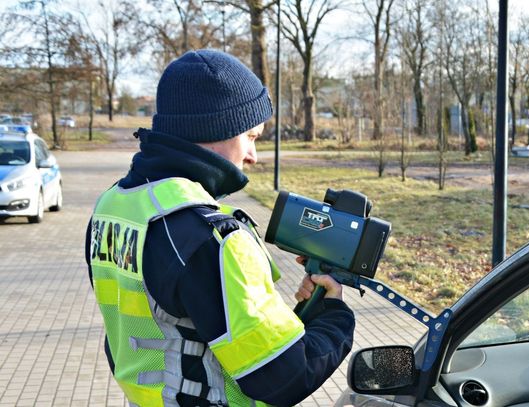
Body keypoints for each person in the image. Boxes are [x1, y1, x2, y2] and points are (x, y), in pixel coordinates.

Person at [85, 49, 354, 407]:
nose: (253, 157)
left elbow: (165, 329)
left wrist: (299, 319)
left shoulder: (113, 205)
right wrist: (334, 315)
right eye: (252, 137)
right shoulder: (209, 240)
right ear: (216, 128)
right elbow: (284, 376)